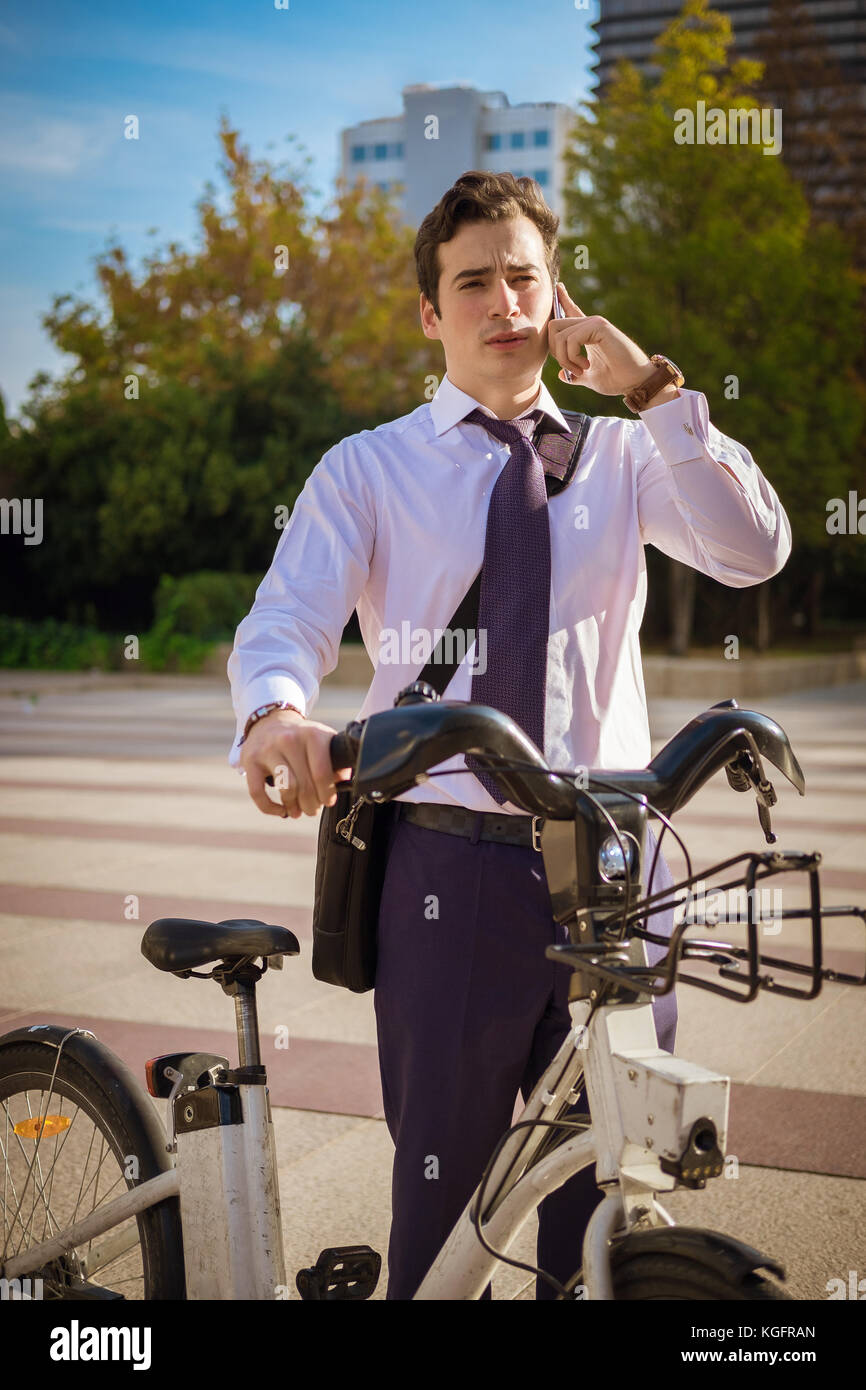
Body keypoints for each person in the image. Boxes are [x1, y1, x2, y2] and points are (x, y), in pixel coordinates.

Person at [227, 171, 792, 1300]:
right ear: (431, 315)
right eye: (471, 281)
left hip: (617, 869)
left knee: (606, 1208)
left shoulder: (626, 457)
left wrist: (649, 387)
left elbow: (752, 549)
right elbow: (289, 616)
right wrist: (276, 710)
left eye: (523, 276)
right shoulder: (367, 469)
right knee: (442, 1218)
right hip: (448, 870)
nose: (503, 302)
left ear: (557, 293)